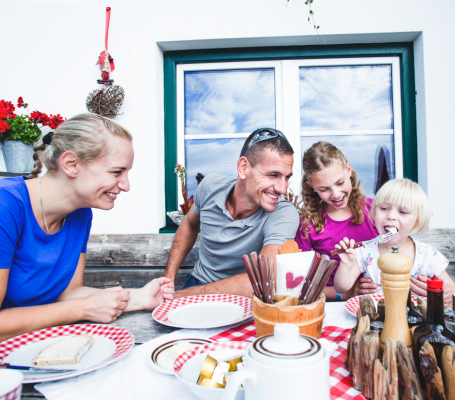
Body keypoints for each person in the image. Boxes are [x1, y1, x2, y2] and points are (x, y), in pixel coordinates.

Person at [0, 113, 174, 342]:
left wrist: (139, 298)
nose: (126, 185)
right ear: (71, 164)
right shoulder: (6, 206)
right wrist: (81, 309)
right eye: (116, 172)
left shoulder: (80, 213)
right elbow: (77, 305)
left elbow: (69, 293)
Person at [164, 128, 299, 298]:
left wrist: (178, 297)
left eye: (287, 177)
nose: (282, 188)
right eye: (273, 175)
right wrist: (167, 279)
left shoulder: (284, 213)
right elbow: (190, 225)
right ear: (243, 167)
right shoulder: (209, 187)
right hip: (197, 283)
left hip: (244, 295)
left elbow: (264, 281)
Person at [334, 178, 455, 303]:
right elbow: (342, 287)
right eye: (384, 208)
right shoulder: (365, 251)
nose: (391, 216)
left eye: (402, 212)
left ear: (416, 223)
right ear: (374, 213)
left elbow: (451, 288)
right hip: (376, 319)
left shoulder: (427, 254)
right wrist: (346, 265)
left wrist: (447, 294)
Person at [295, 141, 379, 301]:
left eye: (340, 183)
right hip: (332, 305)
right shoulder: (307, 226)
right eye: (324, 189)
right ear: (312, 186)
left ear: (349, 169)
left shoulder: (375, 211)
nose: (336, 194)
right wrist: (344, 294)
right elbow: (300, 285)